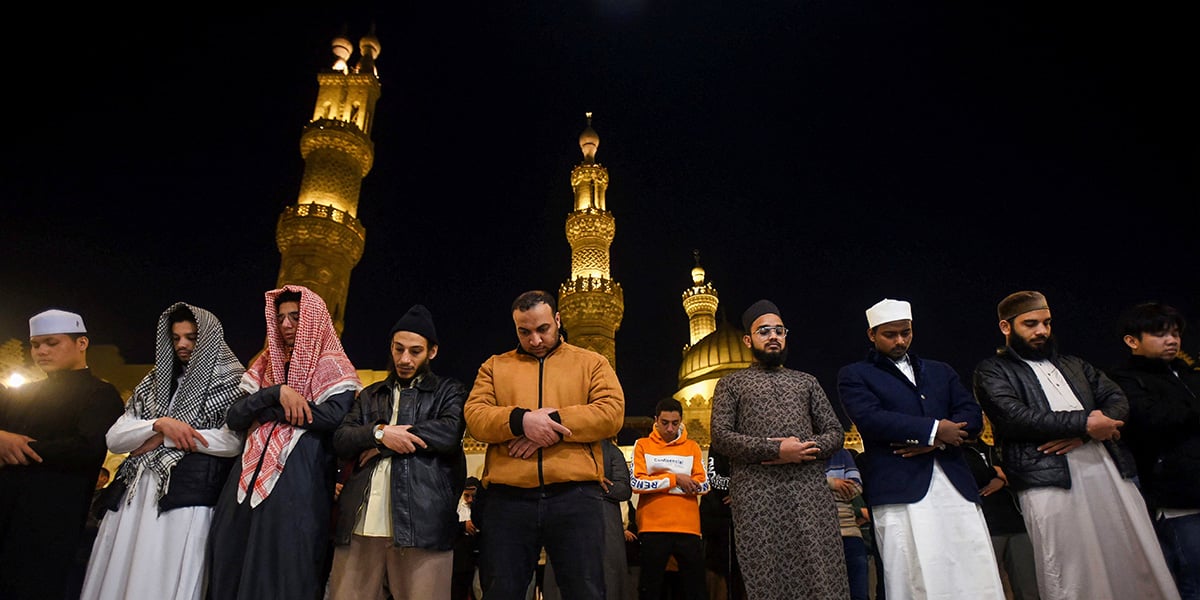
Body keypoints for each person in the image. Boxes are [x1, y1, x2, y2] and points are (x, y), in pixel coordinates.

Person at [972, 290, 1179, 600]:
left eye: (1046, 322)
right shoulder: (992, 371)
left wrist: (1085, 433)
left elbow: (1117, 400)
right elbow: (1014, 417)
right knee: (1071, 565)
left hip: (1107, 469)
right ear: (1006, 327)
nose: (1041, 331)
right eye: (1031, 324)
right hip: (1047, 479)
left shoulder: (1075, 365)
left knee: (1130, 553)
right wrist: (1086, 424)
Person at [463, 289, 625, 600]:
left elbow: (611, 413)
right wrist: (521, 421)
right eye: (525, 332)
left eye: (543, 329)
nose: (535, 340)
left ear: (558, 320)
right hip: (508, 500)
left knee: (585, 591)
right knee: (502, 591)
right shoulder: (495, 367)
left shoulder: (591, 363)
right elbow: (475, 417)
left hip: (575, 496)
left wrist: (548, 424)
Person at [837, 298, 1005, 599]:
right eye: (890, 334)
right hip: (900, 489)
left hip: (954, 486)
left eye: (906, 332)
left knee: (971, 568)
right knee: (912, 572)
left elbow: (970, 414)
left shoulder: (940, 371)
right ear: (872, 334)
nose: (900, 340)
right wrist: (935, 430)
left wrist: (935, 441)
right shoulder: (855, 375)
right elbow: (872, 420)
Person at [81, 303, 247, 600]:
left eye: (192, 337)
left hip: (185, 497)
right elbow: (117, 438)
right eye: (176, 337)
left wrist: (165, 439)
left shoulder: (232, 381)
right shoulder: (154, 382)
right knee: (119, 572)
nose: (182, 344)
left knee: (162, 576)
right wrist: (160, 425)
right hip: (133, 496)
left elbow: (231, 442)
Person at [207, 285, 362, 600]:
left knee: (282, 565)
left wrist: (268, 411)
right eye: (280, 318)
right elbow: (235, 416)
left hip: (299, 483)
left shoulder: (333, 366)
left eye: (295, 317)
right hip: (245, 479)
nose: (287, 325)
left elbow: (332, 417)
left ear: (313, 320)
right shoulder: (266, 364)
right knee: (232, 556)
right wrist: (275, 393)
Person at [709, 299, 849, 600]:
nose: (773, 336)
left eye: (778, 330)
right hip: (758, 498)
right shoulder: (732, 384)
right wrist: (775, 450)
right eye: (764, 331)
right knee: (767, 575)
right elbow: (720, 437)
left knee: (820, 571)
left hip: (808, 493)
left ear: (785, 335)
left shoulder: (806, 382)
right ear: (748, 340)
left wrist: (804, 449)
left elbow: (835, 433)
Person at [327, 304, 468, 600]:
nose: (404, 359)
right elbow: (341, 438)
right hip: (360, 525)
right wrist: (380, 433)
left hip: (422, 526)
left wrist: (380, 446)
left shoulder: (448, 391)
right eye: (398, 349)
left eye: (415, 351)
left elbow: (448, 433)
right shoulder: (370, 394)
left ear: (432, 352)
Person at [0, 309, 124, 600]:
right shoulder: (20, 394)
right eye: (35, 344)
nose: (41, 351)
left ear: (81, 343)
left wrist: (16, 447)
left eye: (51, 343)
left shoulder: (100, 394)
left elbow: (87, 448)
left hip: (52, 521)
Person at [1106, 302, 1200, 600]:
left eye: (1175, 333)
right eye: (1160, 334)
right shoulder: (1123, 380)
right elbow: (1153, 419)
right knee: (1192, 579)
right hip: (1176, 498)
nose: (1172, 340)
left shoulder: (1187, 374)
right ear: (1132, 340)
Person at [631, 398, 709, 600]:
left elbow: (704, 485)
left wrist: (659, 481)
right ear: (656, 420)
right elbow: (637, 483)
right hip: (652, 528)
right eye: (664, 422)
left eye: (675, 423)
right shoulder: (643, 445)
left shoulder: (692, 447)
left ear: (681, 420)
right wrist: (677, 479)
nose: (670, 428)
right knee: (651, 589)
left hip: (688, 528)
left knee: (695, 590)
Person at [544, 437, 633, 600]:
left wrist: (598, 487)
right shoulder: (562, 449)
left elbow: (623, 489)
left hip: (604, 523)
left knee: (606, 577)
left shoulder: (611, 451)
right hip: (565, 519)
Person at [962, 434, 1040, 600]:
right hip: (984, 527)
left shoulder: (994, 446)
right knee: (988, 589)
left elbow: (1022, 472)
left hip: (1016, 522)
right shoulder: (954, 451)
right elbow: (975, 475)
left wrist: (1002, 478)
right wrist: (996, 474)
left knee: (1029, 588)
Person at [824, 447, 868, 600]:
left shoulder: (842, 454)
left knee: (859, 590)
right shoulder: (797, 454)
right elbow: (802, 489)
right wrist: (832, 483)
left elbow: (855, 488)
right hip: (817, 534)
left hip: (849, 531)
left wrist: (821, 486)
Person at [453, 477, 482, 600]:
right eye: (467, 496)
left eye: (473, 496)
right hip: (461, 563)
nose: (470, 500)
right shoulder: (457, 508)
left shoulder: (483, 508)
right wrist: (463, 526)